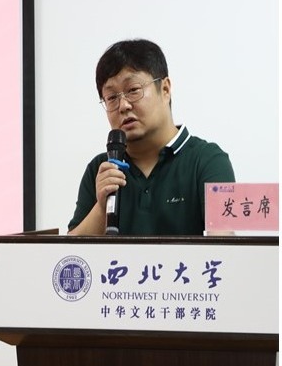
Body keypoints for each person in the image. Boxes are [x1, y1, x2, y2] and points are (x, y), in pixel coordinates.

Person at [68, 39, 235, 235]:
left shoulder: (208, 160)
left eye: (133, 90)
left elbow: (224, 243)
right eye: (112, 97)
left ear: (165, 90)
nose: (123, 106)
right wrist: (101, 207)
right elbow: (70, 250)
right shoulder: (101, 169)